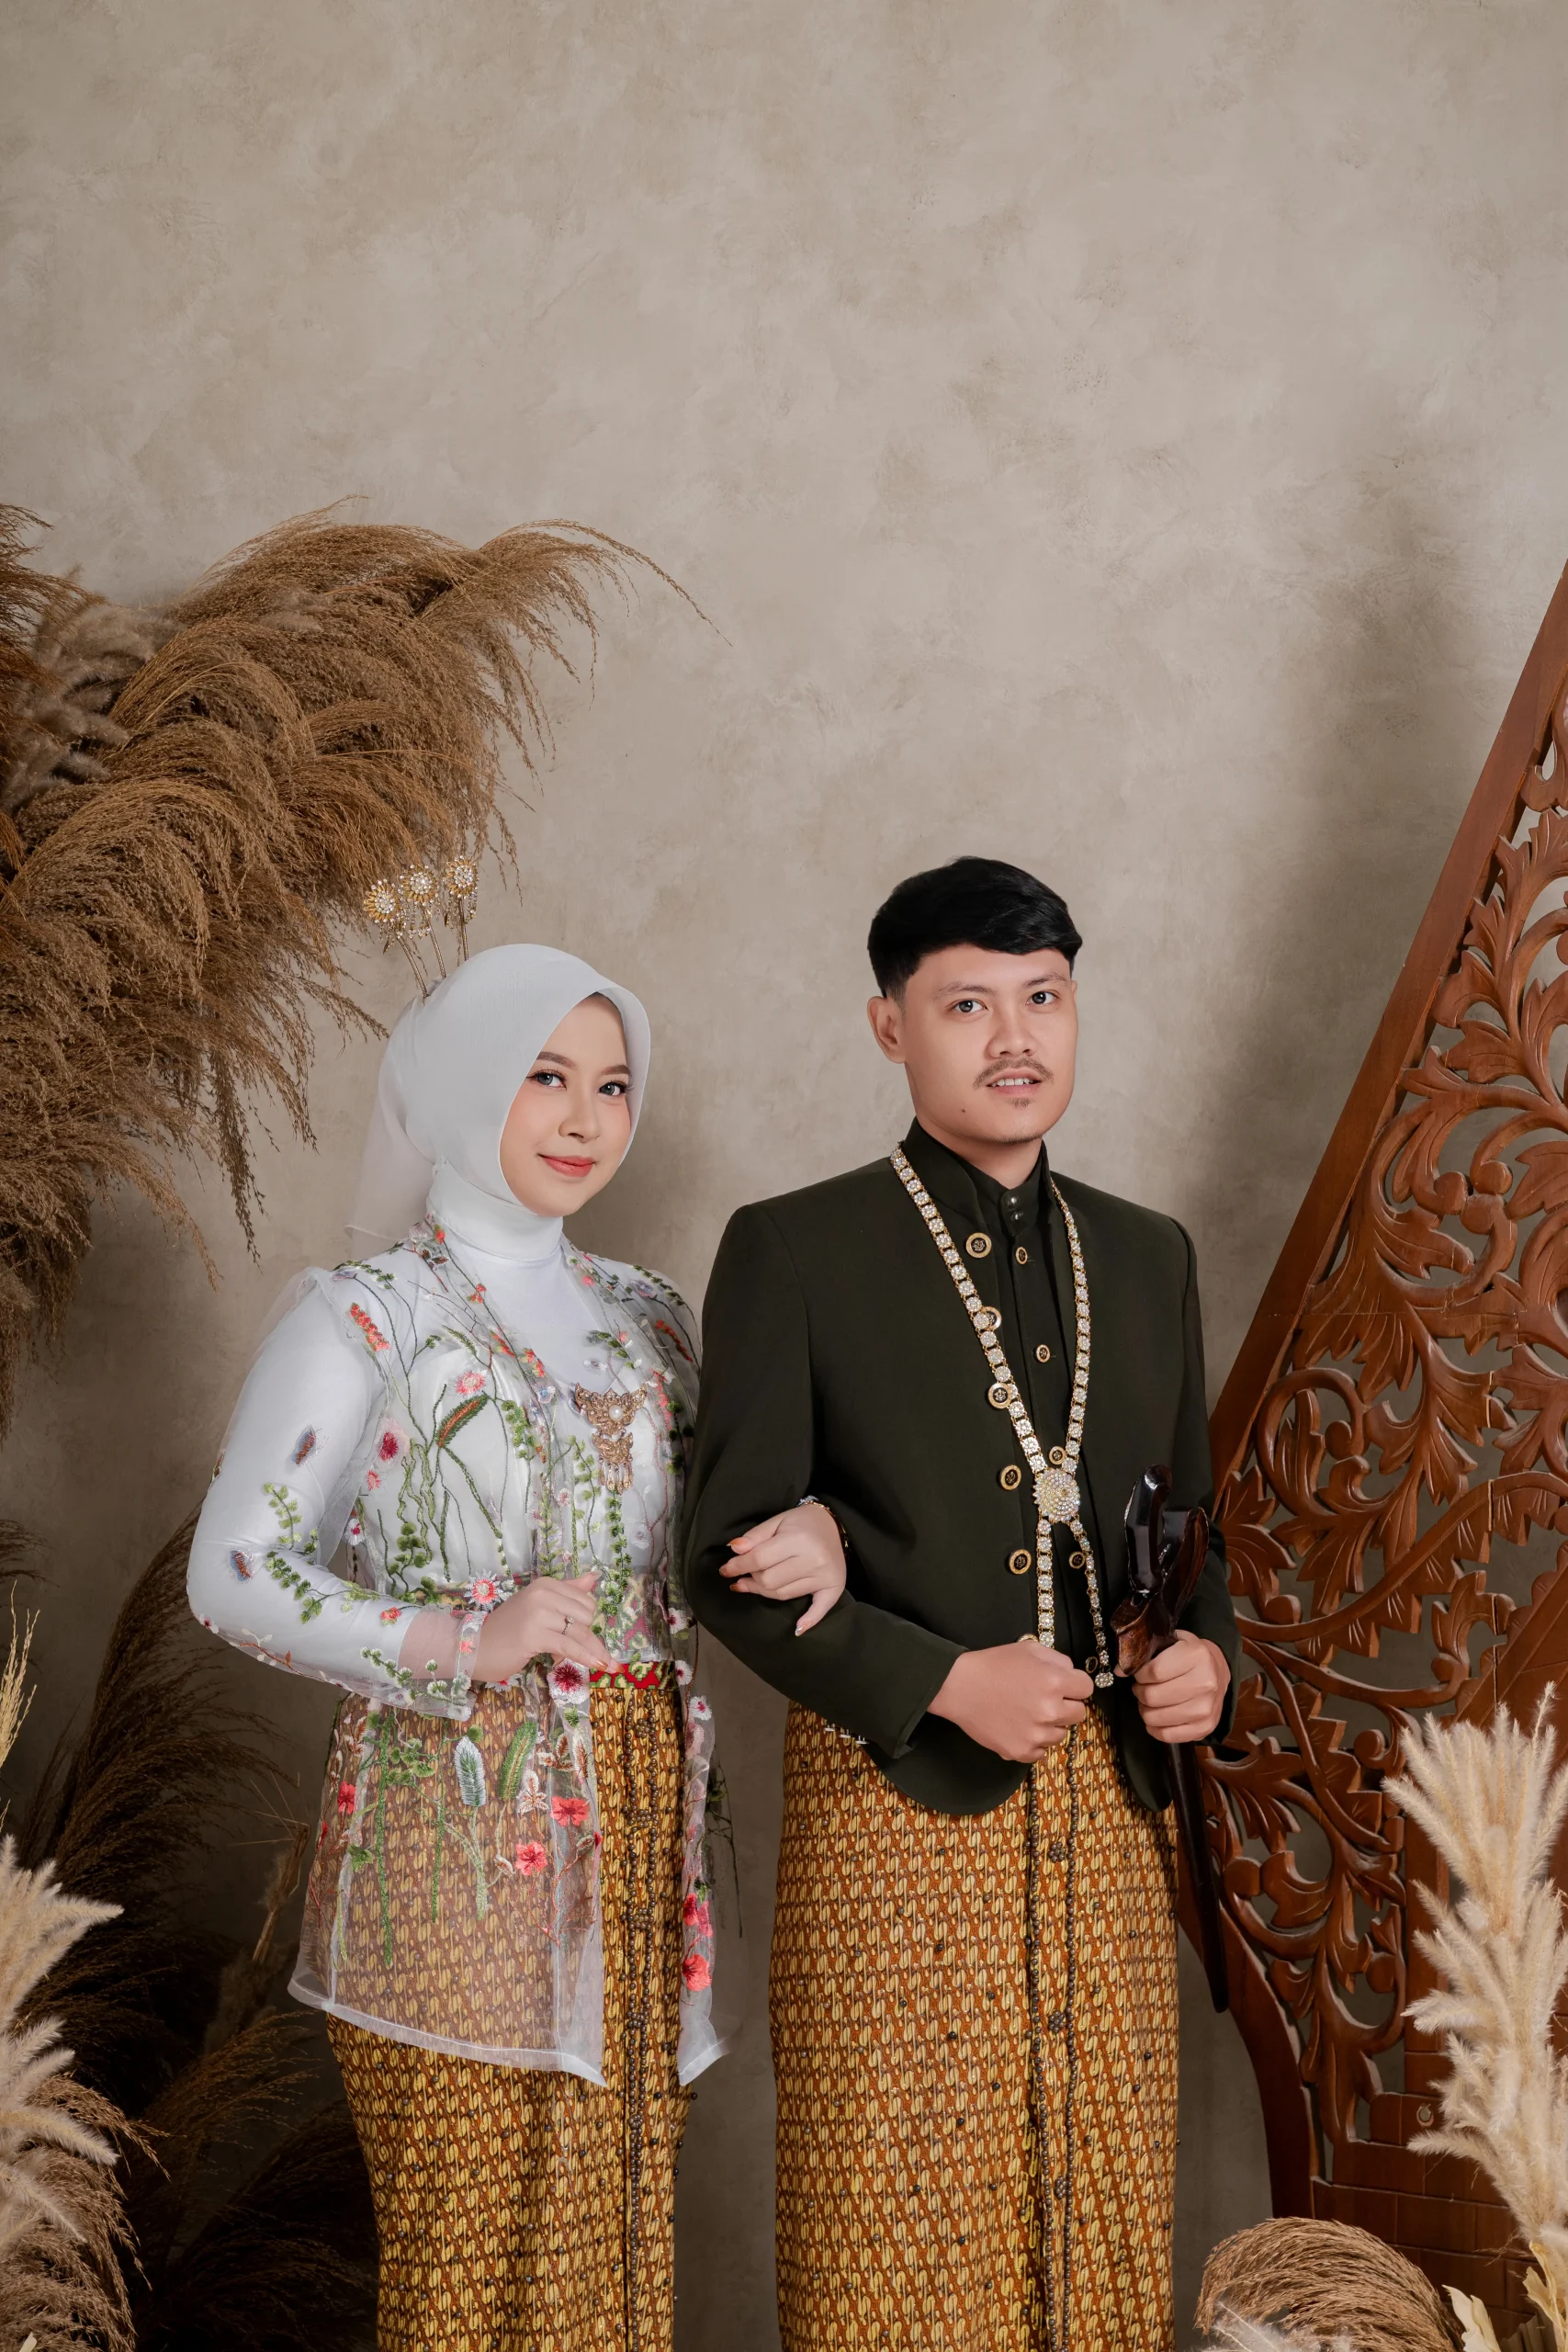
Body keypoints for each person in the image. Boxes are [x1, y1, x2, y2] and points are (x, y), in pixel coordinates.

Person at [683, 856, 1240, 2352]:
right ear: (890, 1027)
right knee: (893, 2239)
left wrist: (1207, 1664)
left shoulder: (1147, 1254)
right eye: (967, 1005)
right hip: (894, 1814)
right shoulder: (795, 1248)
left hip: (1111, 1831)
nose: (1014, 1038)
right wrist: (937, 1681)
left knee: (1101, 2231)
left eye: (1042, 998)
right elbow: (721, 1560)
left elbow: (1192, 1535)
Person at [189, 944, 778, 2352]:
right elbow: (233, 1569)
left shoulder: (649, 1317)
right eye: (544, 1077)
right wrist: (457, 1638)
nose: (584, 1118)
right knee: (469, 2243)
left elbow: (711, 1535)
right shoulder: (371, 1313)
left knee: (612, 2226)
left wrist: (801, 1531)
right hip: (449, 1835)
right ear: (463, 1083)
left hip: (637, 1830)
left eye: (613, 1085)